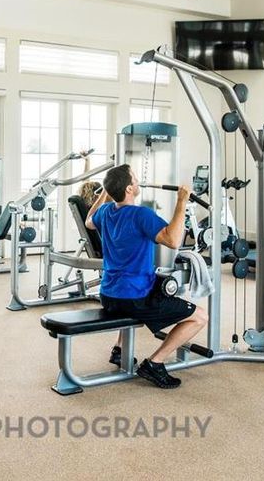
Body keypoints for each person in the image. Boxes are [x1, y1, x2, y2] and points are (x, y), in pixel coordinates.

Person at [85, 163, 208, 389]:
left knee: (149, 287)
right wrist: (181, 201)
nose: (137, 181)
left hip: (108, 295)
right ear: (129, 189)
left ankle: (119, 349)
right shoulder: (141, 215)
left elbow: (88, 220)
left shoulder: (105, 211)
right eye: (134, 179)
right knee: (200, 316)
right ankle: (155, 363)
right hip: (134, 299)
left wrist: (105, 192)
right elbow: (173, 240)